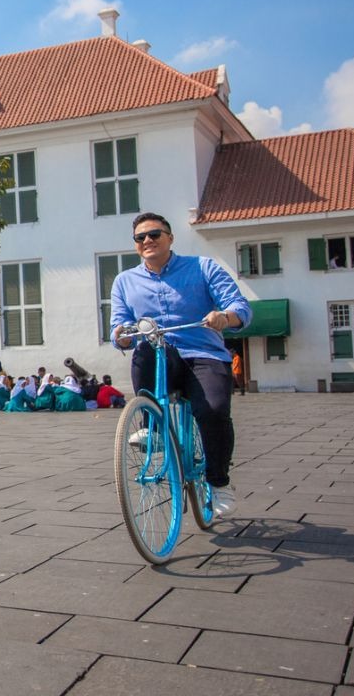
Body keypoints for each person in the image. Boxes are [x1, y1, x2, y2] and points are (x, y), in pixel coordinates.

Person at [111, 212, 250, 520]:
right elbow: (119, 326)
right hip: (161, 355)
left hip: (204, 355)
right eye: (140, 237)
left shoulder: (203, 268)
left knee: (212, 411)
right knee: (146, 347)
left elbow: (240, 307)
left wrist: (225, 317)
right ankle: (152, 429)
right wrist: (121, 337)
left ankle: (219, 482)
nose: (147, 240)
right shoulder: (125, 281)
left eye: (154, 234)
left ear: (170, 238)